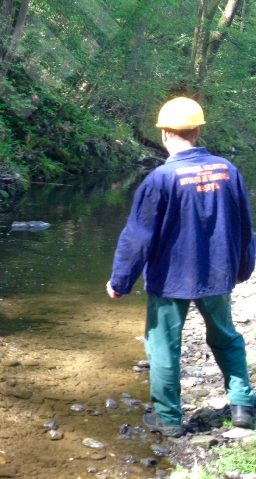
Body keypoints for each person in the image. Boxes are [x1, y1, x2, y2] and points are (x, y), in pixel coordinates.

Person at [106, 97, 255, 437]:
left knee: (163, 346)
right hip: (218, 273)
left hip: (171, 279)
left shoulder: (159, 179)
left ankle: (170, 420)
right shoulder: (227, 170)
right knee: (227, 337)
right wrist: (244, 268)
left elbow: (137, 238)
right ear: (198, 130)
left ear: (164, 134)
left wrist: (120, 281)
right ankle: (242, 405)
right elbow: (245, 226)